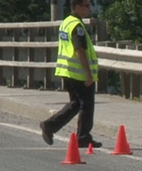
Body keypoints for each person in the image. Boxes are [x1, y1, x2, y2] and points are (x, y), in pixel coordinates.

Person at [40, 0, 102, 148]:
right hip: (78, 72)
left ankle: (50, 126)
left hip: (67, 69)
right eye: (86, 6)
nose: (89, 8)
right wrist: (89, 74)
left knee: (76, 104)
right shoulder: (77, 26)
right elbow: (80, 50)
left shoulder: (67, 22)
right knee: (86, 105)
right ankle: (83, 137)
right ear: (78, 7)